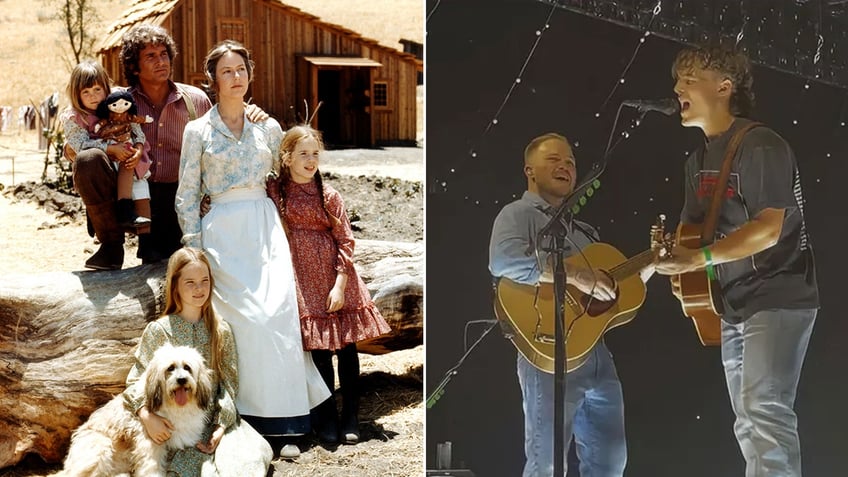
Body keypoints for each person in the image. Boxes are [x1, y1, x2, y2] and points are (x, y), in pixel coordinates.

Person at [655, 44, 818, 477]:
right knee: (747, 419)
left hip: (778, 293)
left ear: (724, 87)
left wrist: (697, 259)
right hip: (732, 303)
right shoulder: (696, 162)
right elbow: (690, 236)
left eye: (688, 80)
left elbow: (769, 228)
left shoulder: (761, 144)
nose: (676, 88)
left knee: (765, 409)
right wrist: (672, 264)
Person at [175, 40, 330, 460]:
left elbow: (287, 183)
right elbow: (188, 194)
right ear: (213, 79)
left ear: (250, 74)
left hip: (265, 229)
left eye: (241, 69)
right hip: (222, 232)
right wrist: (195, 251)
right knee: (240, 327)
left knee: (276, 319)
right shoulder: (198, 131)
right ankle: (238, 419)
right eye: (226, 71)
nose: (235, 77)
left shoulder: (269, 128)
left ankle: (287, 421)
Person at [489, 132, 641, 477]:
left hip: (596, 351)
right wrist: (578, 275)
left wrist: (652, 263)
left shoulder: (584, 231)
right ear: (529, 170)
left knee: (610, 461)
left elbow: (610, 295)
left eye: (570, 161)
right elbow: (503, 261)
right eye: (554, 159)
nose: (566, 166)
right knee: (546, 462)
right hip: (547, 348)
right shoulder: (517, 214)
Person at [267, 124, 391, 444]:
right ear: (287, 157)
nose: (310, 161)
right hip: (303, 280)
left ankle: (351, 414)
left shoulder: (329, 195)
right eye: (303, 154)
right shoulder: (276, 192)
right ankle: (327, 417)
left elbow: (346, 242)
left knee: (346, 349)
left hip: (336, 279)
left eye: (315, 154)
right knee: (320, 353)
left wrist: (339, 285)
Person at [119, 23, 268, 264]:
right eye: (150, 56)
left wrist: (249, 111)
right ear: (134, 67)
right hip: (138, 194)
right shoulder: (122, 103)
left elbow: (219, 136)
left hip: (182, 194)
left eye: (164, 54)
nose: (161, 61)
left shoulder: (195, 100)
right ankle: (111, 246)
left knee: (182, 265)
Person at [124, 247, 272, 476]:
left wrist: (221, 427)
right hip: (172, 425)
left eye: (204, 281)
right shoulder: (158, 330)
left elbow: (229, 385)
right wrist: (147, 416)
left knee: (249, 460)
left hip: (213, 420)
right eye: (190, 282)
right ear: (175, 285)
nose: (199, 288)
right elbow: (135, 379)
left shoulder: (220, 330)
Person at [60, 59, 150, 270]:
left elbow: (136, 128)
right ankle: (110, 243)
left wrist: (137, 148)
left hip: (126, 167)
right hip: (100, 174)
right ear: (76, 94)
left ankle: (146, 241)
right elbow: (79, 145)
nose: (93, 96)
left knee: (139, 187)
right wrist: (110, 148)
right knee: (88, 159)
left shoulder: (117, 104)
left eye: (97, 89)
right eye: (86, 92)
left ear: (105, 87)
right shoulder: (75, 117)